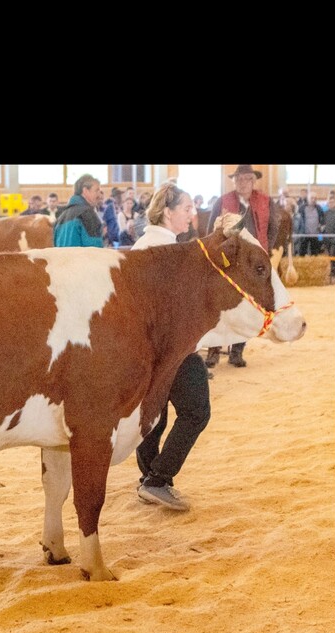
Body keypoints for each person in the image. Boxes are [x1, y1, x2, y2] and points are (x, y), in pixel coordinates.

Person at [130, 183, 208, 511]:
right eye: (187, 208)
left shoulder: (145, 243)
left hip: (146, 346)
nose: (192, 214)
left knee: (156, 416)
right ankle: (158, 479)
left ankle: (149, 477)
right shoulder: (165, 251)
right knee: (196, 411)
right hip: (171, 346)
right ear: (168, 211)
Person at [205, 165, 279, 369]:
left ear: (254, 181)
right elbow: (210, 227)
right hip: (227, 261)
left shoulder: (265, 201)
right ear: (234, 181)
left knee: (247, 307)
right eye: (239, 179)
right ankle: (213, 351)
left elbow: (274, 226)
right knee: (220, 306)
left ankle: (237, 351)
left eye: (247, 179)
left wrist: (266, 249)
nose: (243, 183)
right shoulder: (223, 201)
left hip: (252, 264)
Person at [53, 173, 104, 247]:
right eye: (96, 190)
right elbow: (95, 251)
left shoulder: (60, 218)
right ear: (85, 191)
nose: (99, 195)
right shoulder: (87, 214)